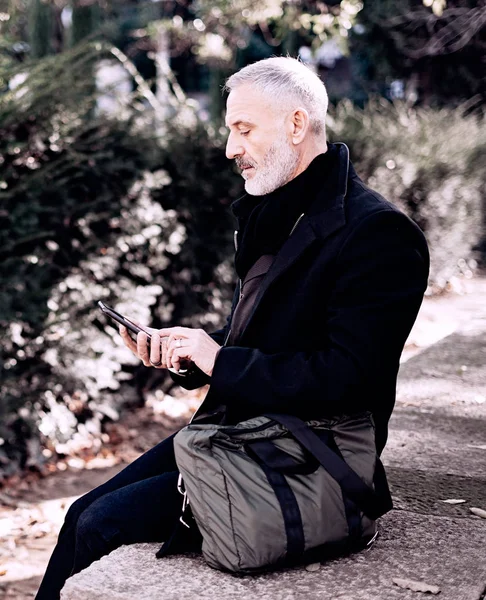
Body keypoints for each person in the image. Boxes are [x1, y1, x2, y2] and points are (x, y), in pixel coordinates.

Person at [35, 56, 429, 599]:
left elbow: (350, 377)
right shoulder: (278, 211)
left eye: (244, 129)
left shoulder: (379, 234)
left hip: (307, 455)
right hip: (240, 430)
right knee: (82, 510)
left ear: (296, 124)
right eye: (229, 131)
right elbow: (267, 334)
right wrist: (186, 351)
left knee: (103, 522)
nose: (230, 149)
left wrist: (220, 360)